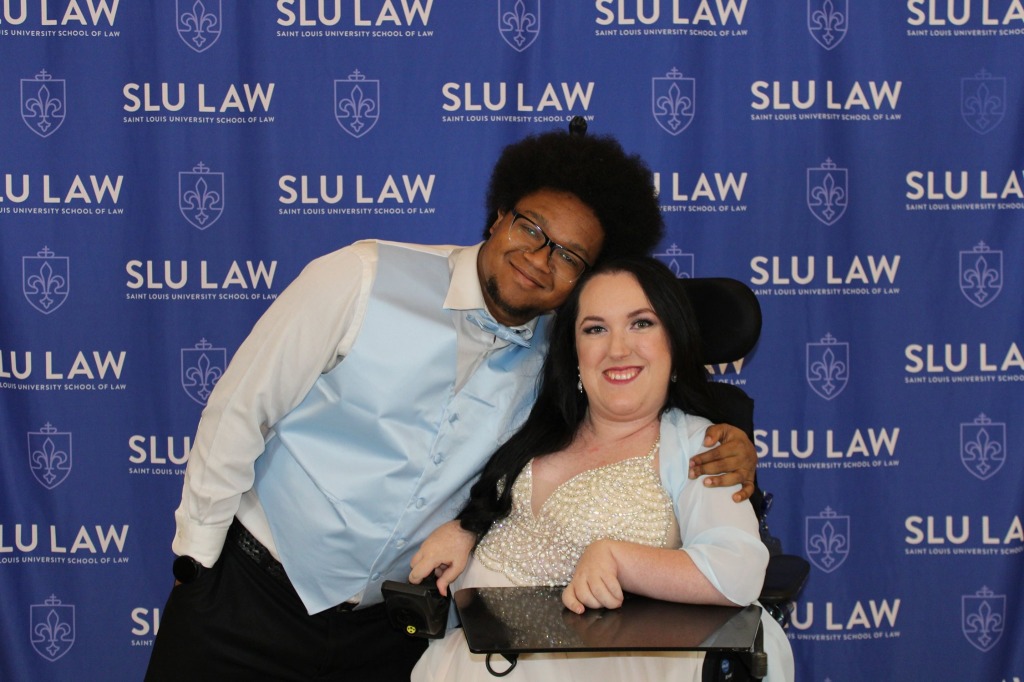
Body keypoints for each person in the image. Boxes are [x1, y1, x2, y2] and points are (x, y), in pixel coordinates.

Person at [145, 126, 759, 681]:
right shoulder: (360, 277)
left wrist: (732, 443)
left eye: (569, 256)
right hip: (250, 593)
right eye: (532, 229)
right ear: (498, 216)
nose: (539, 260)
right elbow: (238, 410)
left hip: (391, 634)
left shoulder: (570, 360)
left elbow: (632, 422)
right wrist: (197, 565)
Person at [410, 256, 794, 682]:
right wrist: (467, 527)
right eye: (595, 329)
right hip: (470, 662)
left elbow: (737, 572)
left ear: (675, 341)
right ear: (574, 353)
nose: (617, 349)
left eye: (641, 324)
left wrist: (618, 558)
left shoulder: (700, 445)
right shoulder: (532, 426)